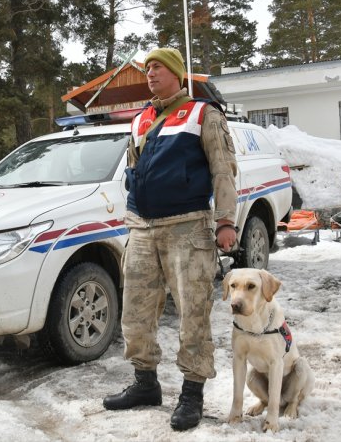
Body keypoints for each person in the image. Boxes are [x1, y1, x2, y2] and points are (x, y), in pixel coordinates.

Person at [102, 48, 238, 431]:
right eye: (147, 69)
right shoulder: (141, 118)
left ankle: (192, 394)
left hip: (188, 226)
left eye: (158, 67)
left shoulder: (202, 114)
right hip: (142, 228)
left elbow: (224, 171)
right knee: (136, 312)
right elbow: (133, 168)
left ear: (177, 74)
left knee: (193, 313)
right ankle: (145, 383)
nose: (150, 74)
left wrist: (226, 221)